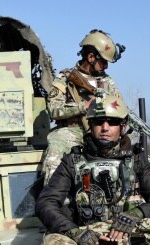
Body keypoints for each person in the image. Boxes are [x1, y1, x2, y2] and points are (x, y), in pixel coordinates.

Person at [35, 95, 150, 245]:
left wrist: (135, 215)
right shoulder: (73, 160)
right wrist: (75, 232)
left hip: (129, 243)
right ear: (91, 125)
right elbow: (46, 203)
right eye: (99, 122)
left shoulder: (137, 160)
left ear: (123, 126)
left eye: (113, 122)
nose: (105, 128)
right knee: (51, 244)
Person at [42, 29, 125, 184]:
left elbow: (119, 108)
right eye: (104, 61)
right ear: (91, 57)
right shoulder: (65, 79)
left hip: (100, 131)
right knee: (54, 157)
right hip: (72, 132)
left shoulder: (108, 82)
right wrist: (81, 107)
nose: (106, 66)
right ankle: (51, 200)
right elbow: (53, 109)